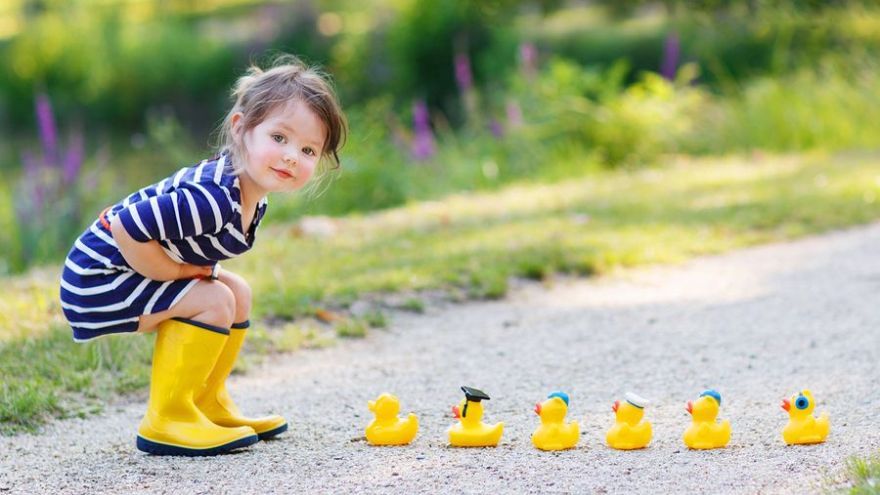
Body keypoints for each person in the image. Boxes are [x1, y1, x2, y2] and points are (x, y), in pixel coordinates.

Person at [58, 54, 347, 456]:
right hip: (98, 278)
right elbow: (125, 226)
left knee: (237, 291)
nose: (291, 157)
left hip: (124, 270)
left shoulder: (250, 198)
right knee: (215, 298)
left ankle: (206, 404)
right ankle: (168, 417)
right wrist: (174, 271)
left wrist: (180, 272)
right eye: (279, 138)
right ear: (241, 128)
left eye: (308, 150)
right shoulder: (211, 197)